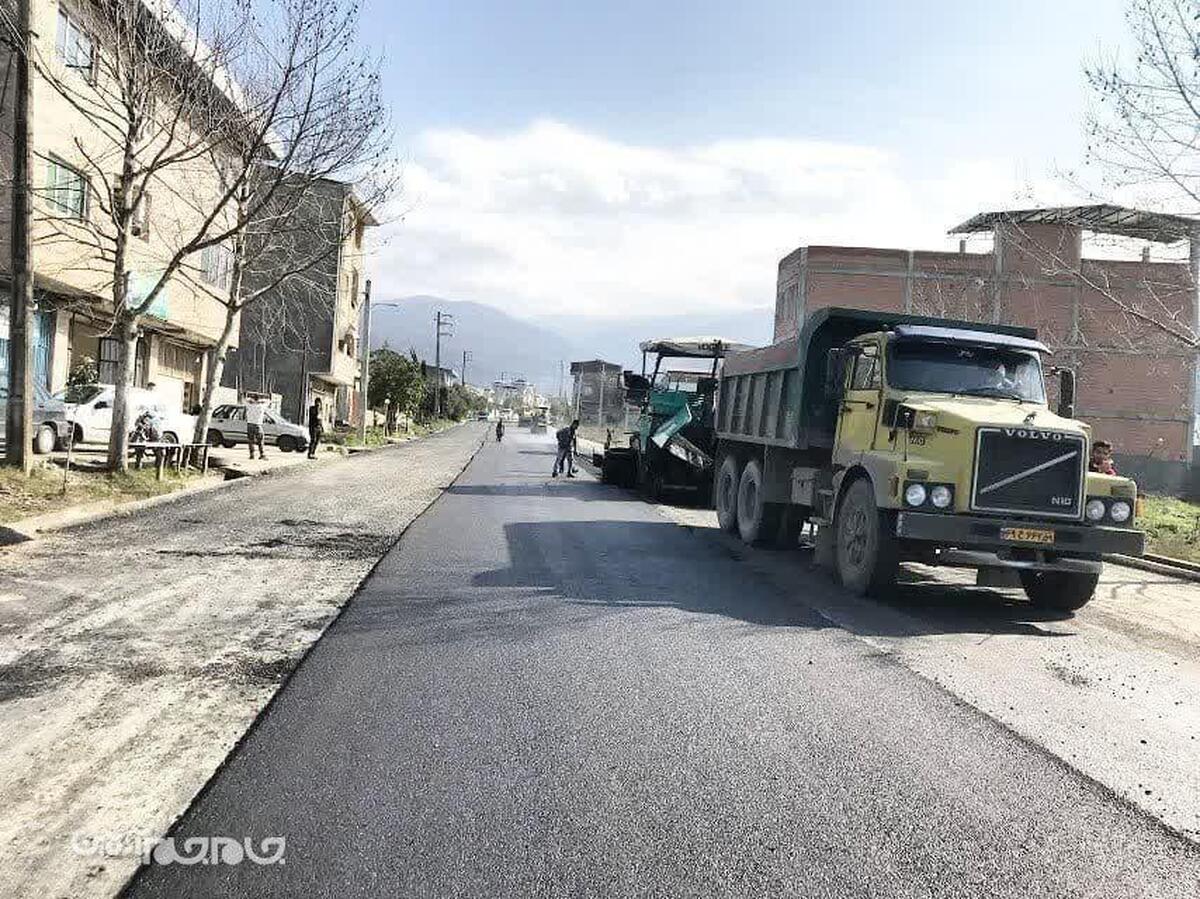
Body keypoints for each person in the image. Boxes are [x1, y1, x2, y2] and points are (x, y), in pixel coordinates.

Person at [245, 394, 267, 460]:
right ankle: (262, 454)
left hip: (249, 424)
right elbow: (267, 401)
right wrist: (260, 401)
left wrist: (251, 400)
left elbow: (245, 400)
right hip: (258, 424)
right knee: (260, 440)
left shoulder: (249, 405)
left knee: (251, 440)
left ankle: (252, 455)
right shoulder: (261, 406)